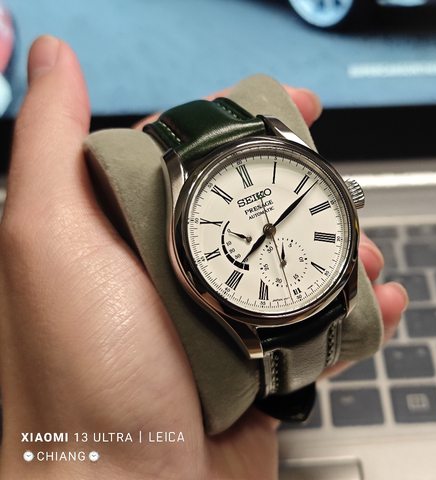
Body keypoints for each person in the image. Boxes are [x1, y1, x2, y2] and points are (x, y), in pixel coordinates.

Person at [0, 35, 407, 479]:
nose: (270, 230)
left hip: (326, 291)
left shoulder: (280, 144)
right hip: (248, 325)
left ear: (346, 197)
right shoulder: (178, 185)